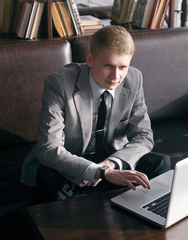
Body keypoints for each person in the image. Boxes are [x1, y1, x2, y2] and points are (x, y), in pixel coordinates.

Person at [21, 25, 171, 202]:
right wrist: (100, 172)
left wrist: (112, 164)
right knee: (49, 179)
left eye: (123, 67)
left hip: (110, 156)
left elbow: (143, 136)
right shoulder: (60, 83)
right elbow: (49, 148)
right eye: (108, 65)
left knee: (161, 163)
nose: (116, 76)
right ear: (90, 59)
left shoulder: (134, 79)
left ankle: (137, 217)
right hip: (69, 161)